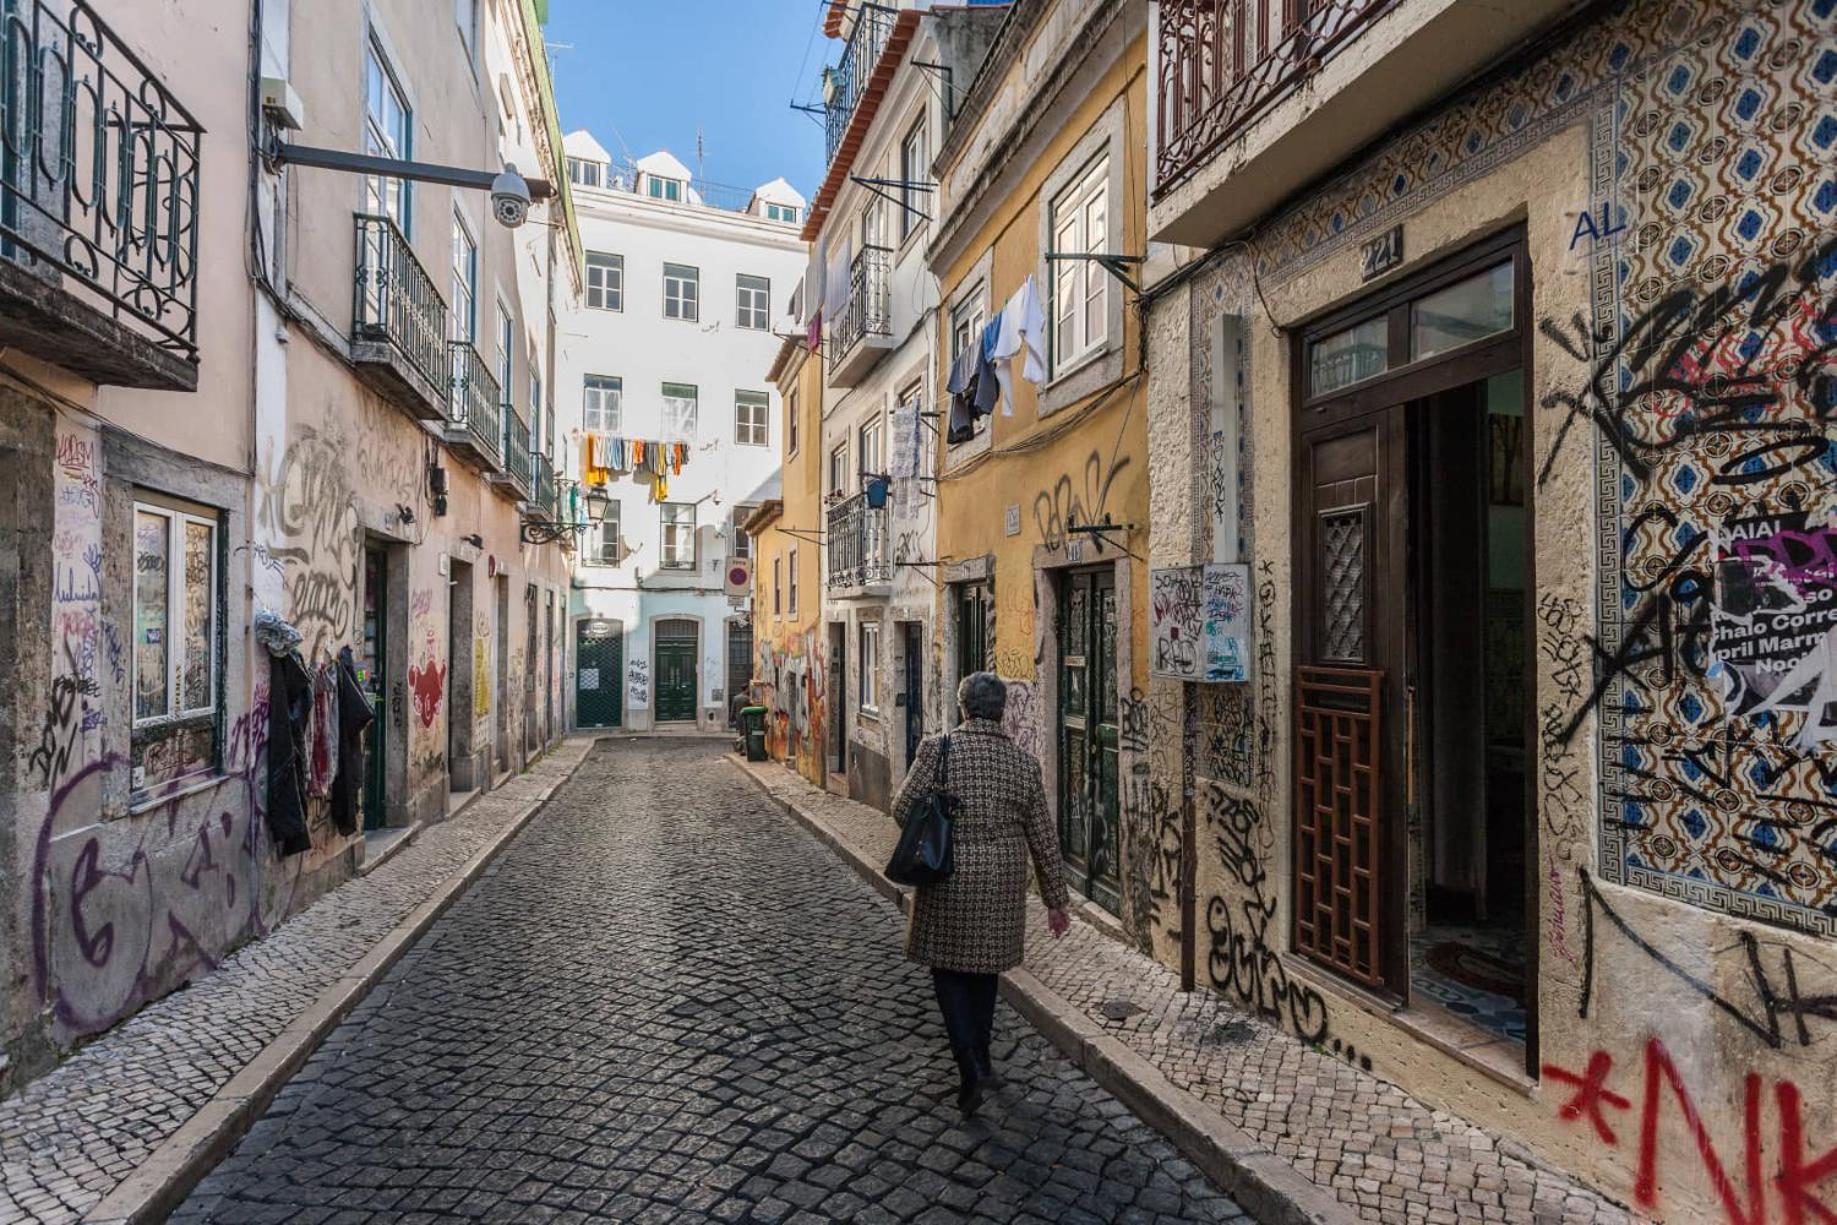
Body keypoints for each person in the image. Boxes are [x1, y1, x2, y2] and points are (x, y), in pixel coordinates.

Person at [891, 671, 1071, 1117]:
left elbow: (901, 808)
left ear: (963, 707)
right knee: (985, 969)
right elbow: (1044, 839)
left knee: (948, 969)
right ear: (1002, 710)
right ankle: (985, 1057)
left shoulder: (939, 751)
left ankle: (967, 1059)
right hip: (1002, 881)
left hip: (949, 875)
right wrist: (1056, 901)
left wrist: (939, 830)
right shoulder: (1023, 764)